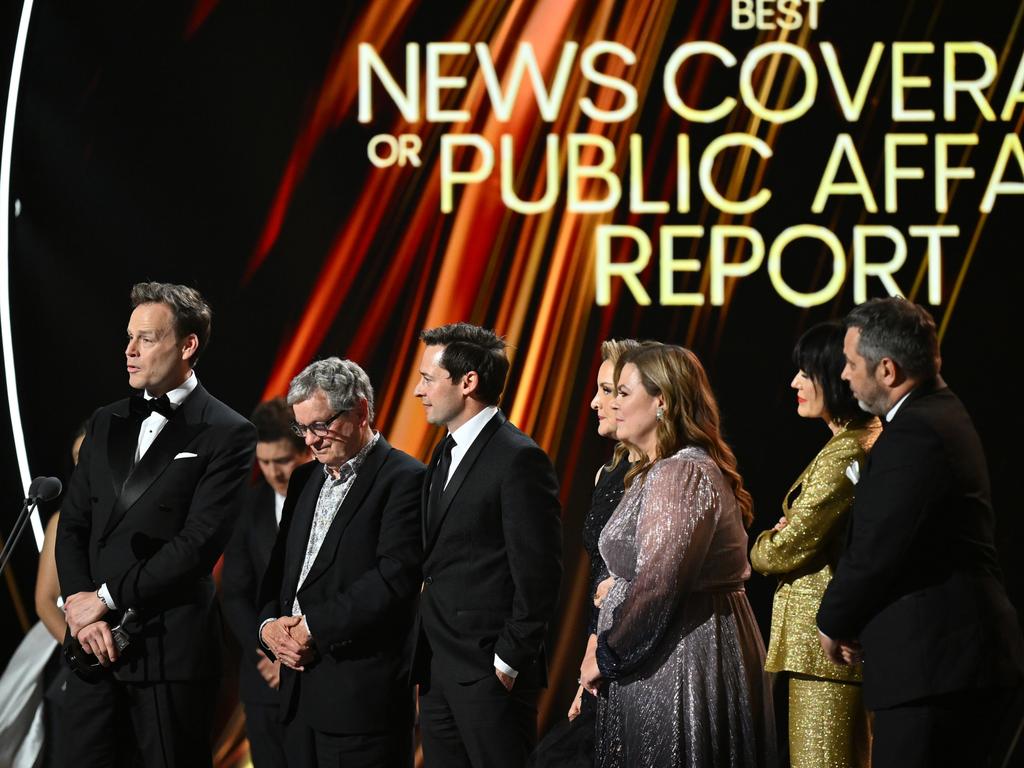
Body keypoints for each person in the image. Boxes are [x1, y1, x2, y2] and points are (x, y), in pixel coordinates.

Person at [55, 281, 257, 768]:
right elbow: (74, 525)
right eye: (129, 337)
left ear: (187, 345)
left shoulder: (228, 432)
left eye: (146, 338)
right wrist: (83, 611)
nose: (129, 350)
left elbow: (196, 546)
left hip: (168, 652)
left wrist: (104, 599)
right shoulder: (106, 421)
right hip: (91, 652)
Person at [816, 297, 1024, 768]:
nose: (844, 375)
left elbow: (879, 548)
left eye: (851, 364)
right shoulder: (936, 415)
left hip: (937, 670)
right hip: (948, 666)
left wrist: (832, 622)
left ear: (886, 370)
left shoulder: (918, 433)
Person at [580, 343, 775, 768]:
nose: (610, 404)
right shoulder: (666, 467)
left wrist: (607, 654)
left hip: (679, 656)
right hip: (667, 648)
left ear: (662, 401)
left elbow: (658, 585)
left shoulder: (680, 472)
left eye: (623, 393)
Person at [257, 357, 424, 768]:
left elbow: (393, 580)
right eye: (302, 428)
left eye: (320, 425)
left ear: (361, 411)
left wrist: (311, 628)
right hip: (297, 701)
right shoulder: (303, 479)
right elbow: (279, 575)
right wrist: (269, 629)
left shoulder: (405, 478)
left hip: (361, 705)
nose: (310, 440)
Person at [411, 322, 562, 768]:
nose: (418, 391)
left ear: (468, 382)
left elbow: (540, 573)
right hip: (438, 669)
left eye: (427, 379)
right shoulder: (442, 451)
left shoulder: (519, 458)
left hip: (490, 675)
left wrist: (507, 662)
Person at [750, 322, 879, 768]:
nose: (795, 383)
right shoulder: (854, 443)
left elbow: (782, 551)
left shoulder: (847, 451)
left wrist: (766, 541)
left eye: (806, 372)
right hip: (823, 651)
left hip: (826, 654)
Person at [528, 338, 639, 768]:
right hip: (603, 651)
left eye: (610, 391)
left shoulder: (664, 474)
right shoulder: (609, 471)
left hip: (639, 653)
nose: (595, 401)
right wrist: (588, 660)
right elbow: (599, 575)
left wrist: (604, 653)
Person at [222, 398, 310, 768]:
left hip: (318, 677)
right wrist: (271, 650)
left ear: (306, 450)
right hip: (263, 682)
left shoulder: (334, 500)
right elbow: (234, 594)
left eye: (283, 461)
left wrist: (297, 653)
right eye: (264, 462)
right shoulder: (247, 508)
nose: (273, 472)